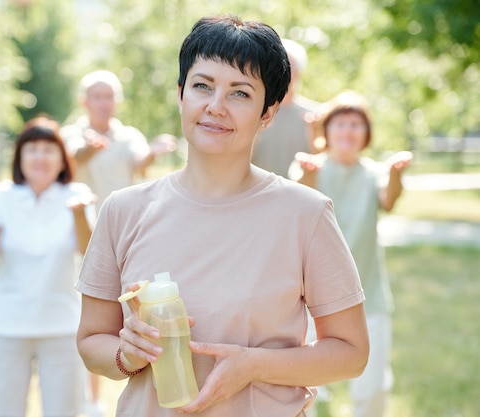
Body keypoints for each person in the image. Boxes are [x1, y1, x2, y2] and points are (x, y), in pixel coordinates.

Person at [75, 15, 369, 417]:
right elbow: (92, 340)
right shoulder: (123, 210)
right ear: (181, 94)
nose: (215, 107)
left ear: (269, 112)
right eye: (202, 86)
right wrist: (127, 353)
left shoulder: (307, 214)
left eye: (240, 93)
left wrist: (253, 365)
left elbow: (351, 353)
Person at [291, 90, 413, 417]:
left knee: (372, 388)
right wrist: (309, 173)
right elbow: (299, 198)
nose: (347, 131)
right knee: (302, 386)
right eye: (340, 123)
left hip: (367, 295)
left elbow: (389, 200)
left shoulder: (372, 173)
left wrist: (396, 174)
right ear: (327, 131)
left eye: (356, 125)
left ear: (366, 135)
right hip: (312, 298)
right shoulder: (311, 166)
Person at [0, 116, 96, 417]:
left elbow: (87, 251)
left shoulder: (77, 195)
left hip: (63, 325)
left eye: (48, 150)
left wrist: (79, 215)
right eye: (32, 149)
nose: (40, 157)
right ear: (20, 157)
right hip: (7, 324)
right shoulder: (2, 198)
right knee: (0, 410)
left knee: (67, 411)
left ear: (62, 159)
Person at [61, 69, 177, 210]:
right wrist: (90, 149)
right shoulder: (71, 133)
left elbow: (140, 163)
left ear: (118, 101)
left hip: (120, 224)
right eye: (97, 97)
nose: (104, 104)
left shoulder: (130, 136)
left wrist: (153, 153)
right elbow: (74, 158)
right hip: (82, 225)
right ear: (84, 101)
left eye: (109, 97)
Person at [251, 38, 322, 178]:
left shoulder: (313, 115)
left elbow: (324, 164)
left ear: (299, 72)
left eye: (289, 66)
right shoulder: (253, 111)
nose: (283, 73)